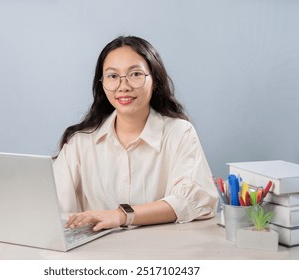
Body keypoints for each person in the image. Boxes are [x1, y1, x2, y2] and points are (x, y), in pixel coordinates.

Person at [53, 35, 218, 232]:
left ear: (155, 80)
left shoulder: (179, 132)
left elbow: (193, 201)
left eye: (135, 74)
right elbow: (53, 208)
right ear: (102, 83)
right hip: (96, 254)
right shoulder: (80, 142)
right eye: (113, 76)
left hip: (161, 252)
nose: (124, 86)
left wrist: (121, 216)